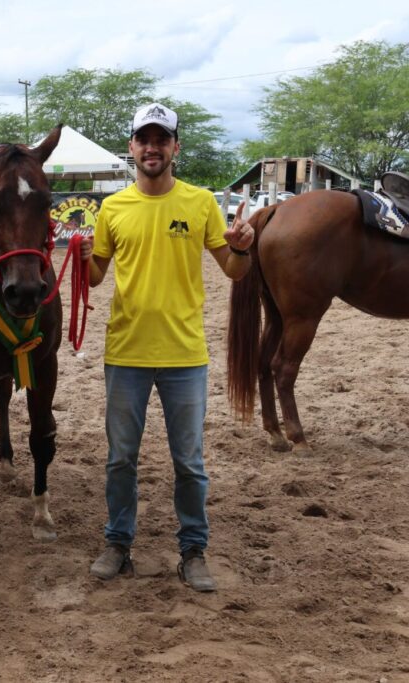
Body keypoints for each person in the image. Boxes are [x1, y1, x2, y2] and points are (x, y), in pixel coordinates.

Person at [80, 102, 254, 592]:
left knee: (190, 463)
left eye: (162, 139)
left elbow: (233, 272)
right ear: (131, 147)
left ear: (176, 147)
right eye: (143, 139)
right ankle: (118, 543)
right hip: (127, 353)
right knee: (120, 459)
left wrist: (242, 246)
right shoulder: (112, 208)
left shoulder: (200, 203)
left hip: (185, 356)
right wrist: (76, 257)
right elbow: (94, 278)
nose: (152, 148)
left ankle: (193, 551)